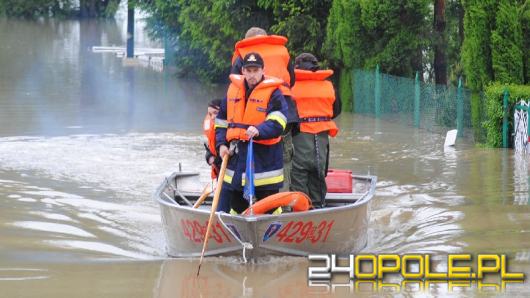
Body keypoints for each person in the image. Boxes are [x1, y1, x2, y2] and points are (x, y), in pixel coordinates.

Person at [215, 52, 288, 214]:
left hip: (264, 163)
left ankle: (271, 235)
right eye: (249, 70)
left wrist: (259, 130)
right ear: (243, 71)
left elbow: (279, 122)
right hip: (236, 162)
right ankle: (235, 234)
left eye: (255, 70)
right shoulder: (232, 91)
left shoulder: (274, 93)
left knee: (270, 208)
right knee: (236, 207)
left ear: (262, 70)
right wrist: (221, 145)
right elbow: (220, 122)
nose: (252, 74)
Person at [231, 27, 299, 192]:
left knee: (254, 157)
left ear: (247, 39)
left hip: (255, 113)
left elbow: (237, 86)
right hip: (285, 113)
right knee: (283, 158)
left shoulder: (243, 52)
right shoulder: (282, 50)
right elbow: (292, 79)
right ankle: (282, 204)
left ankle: (252, 203)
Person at [290, 53, 341, 207]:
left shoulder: (290, 86)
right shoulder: (329, 86)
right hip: (321, 137)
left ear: (296, 67)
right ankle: (319, 207)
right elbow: (336, 110)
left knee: (298, 175)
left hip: (299, 136)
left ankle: (301, 210)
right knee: (318, 174)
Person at [203, 99, 222, 179]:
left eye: (216, 113)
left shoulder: (232, 128)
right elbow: (207, 147)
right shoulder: (209, 125)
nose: (213, 117)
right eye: (210, 114)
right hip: (217, 171)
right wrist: (209, 157)